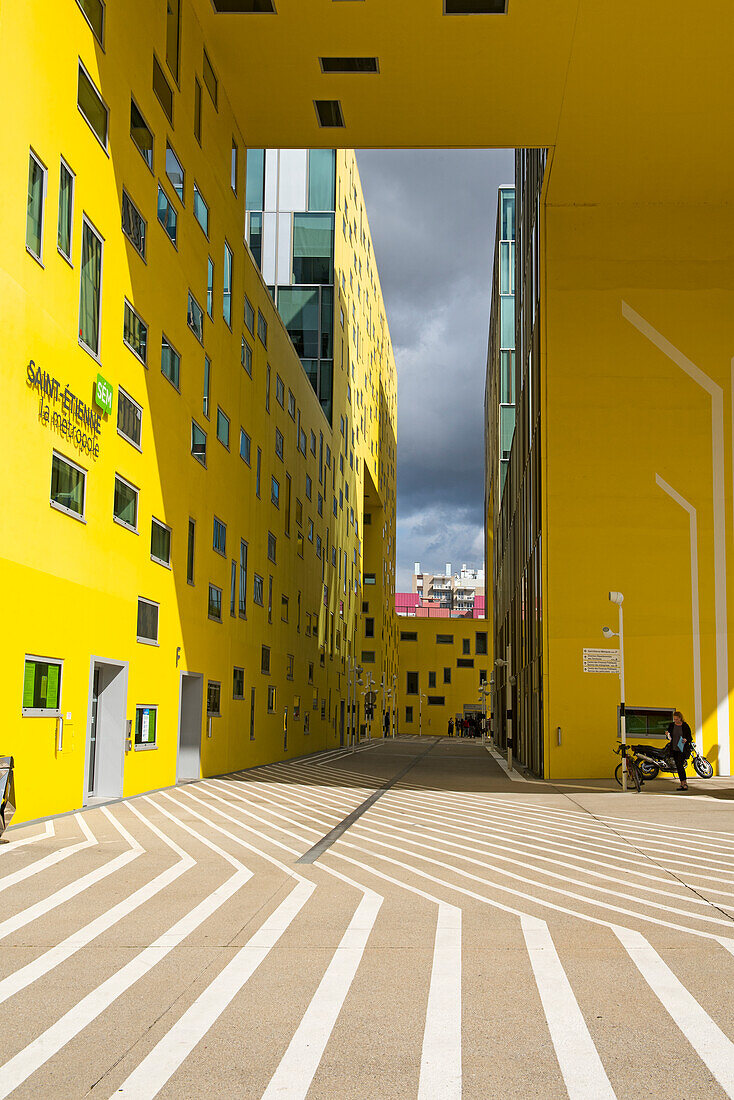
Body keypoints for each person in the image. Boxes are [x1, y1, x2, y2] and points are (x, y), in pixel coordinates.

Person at [665, 710, 693, 790]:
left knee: (680, 765)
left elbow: (689, 737)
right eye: (674, 719)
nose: (675, 721)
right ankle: (682, 783)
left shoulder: (685, 726)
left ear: (680, 718)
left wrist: (686, 739)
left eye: (677, 719)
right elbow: (669, 737)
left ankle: (684, 783)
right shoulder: (672, 725)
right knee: (678, 766)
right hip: (674, 748)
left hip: (682, 748)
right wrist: (667, 735)